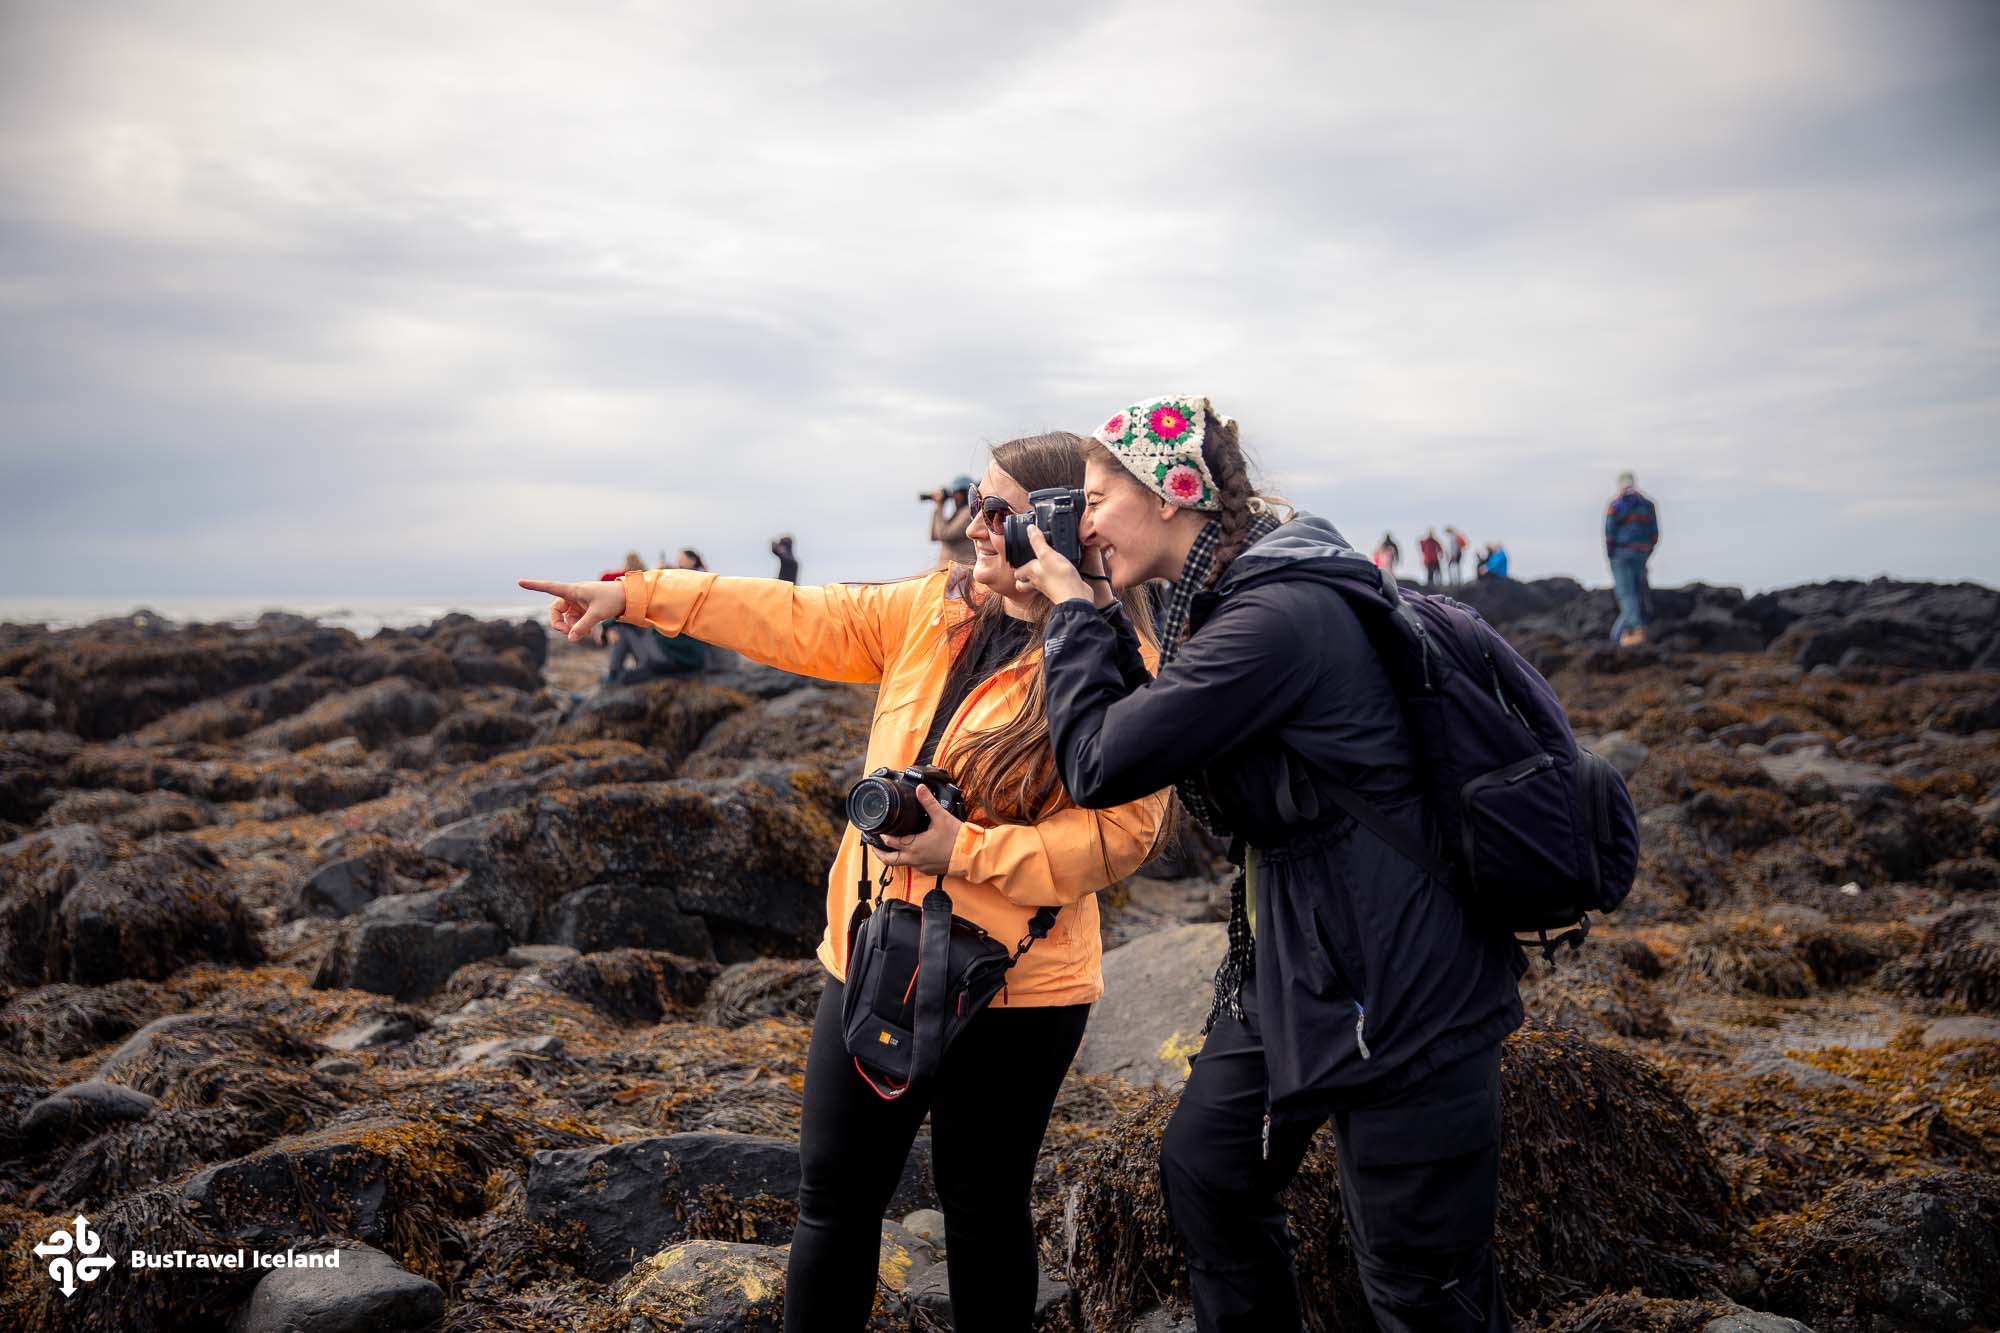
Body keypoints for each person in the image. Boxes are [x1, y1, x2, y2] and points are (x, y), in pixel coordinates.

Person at [520, 434, 1170, 1333]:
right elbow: (790, 614)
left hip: (1018, 988)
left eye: (997, 510)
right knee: (831, 1201)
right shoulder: (932, 609)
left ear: (1057, 525)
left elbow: (1122, 836)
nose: (973, 528)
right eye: (975, 503)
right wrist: (634, 596)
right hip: (874, 953)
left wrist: (965, 850)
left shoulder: (1120, 659)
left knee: (984, 1212)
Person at [1012, 396, 1523, 1332]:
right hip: (1299, 958)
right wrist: (1090, 613)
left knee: (1420, 1283)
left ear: (1172, 493)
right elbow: (1157, 728)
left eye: (1092, 497)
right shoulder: (1221, 600)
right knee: (1209, 1173)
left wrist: (1076, 611)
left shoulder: (1276, 619)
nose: (1077, 524)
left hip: (1401, 980)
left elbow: (1101, 762)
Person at [1604, 471, 1659, 647]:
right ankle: (1616, 636)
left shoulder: (1616, 505)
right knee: (1635, 594)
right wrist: (1646, 552)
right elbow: (1655, 533)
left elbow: (1609, 533)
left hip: (1621, 555)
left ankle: (1636, 630)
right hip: (1641, 554)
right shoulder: (1647, 505)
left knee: (1627, 595)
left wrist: (1611, 554)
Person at [927, 475, 977, 567]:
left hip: (963, 569)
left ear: (966, 493)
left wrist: (939, 506)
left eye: (957, 493)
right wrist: (938, 507)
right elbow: (935, 535)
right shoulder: (959, 513)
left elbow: (944, 534)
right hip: (951, 570)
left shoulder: (968, 513)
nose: (954, 496)